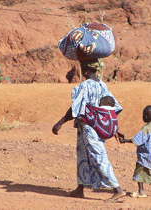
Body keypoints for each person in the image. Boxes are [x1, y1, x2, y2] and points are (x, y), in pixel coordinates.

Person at [52, 58, 126, 201]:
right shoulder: (102, 85)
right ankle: (80, 188)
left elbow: (75, 108)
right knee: (83, 156)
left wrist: (60, 123)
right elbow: (111, 107)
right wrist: (115, 127)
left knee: (98, 156)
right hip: (97, 126)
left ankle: (118, 189)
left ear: (85, 70)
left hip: (89, 127)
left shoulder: (84, 86)